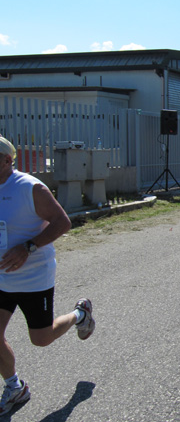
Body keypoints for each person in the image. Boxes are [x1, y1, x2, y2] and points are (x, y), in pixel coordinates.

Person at [0, 137, 95, 416]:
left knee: (40, 339)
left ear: (7, 160)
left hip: (33, 277)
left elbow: (63, 222)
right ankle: (15, 387)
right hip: (2, 276)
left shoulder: (30, 188)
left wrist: (28, 247)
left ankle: (80, 314)